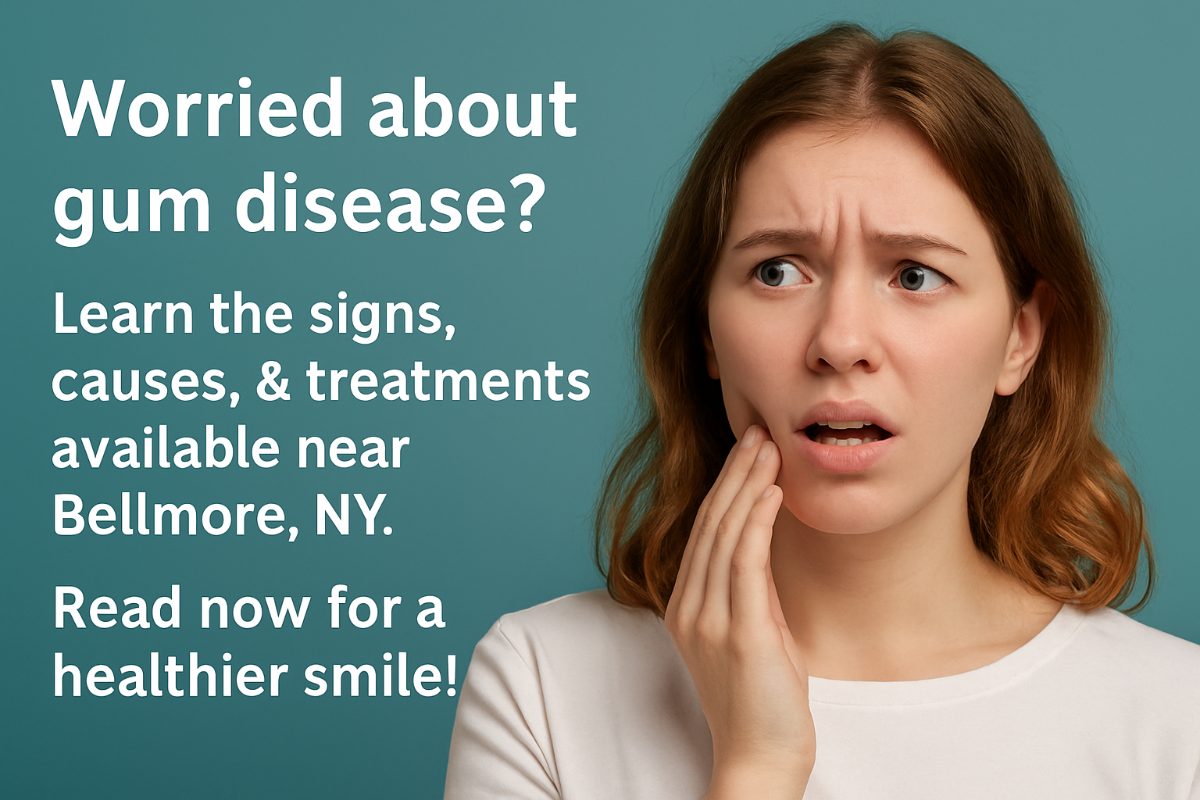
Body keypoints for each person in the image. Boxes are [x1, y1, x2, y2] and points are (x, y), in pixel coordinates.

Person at [443, 22, 1200, 800]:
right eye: (777, 271)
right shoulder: (541, 685)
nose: (840, 342)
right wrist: (757, 767)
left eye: (914, 275)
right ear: (705, 329)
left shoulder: (1180, 724)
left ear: (1021, 337)